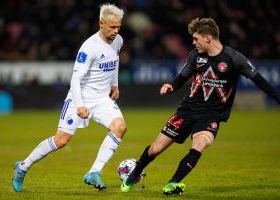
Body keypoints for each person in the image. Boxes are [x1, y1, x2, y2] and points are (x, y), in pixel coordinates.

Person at [120, 17, 280, 195]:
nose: (193, 42)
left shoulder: (235, 59)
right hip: (187, 110)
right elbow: (183, 76)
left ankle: (173, 183)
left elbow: (260, 81)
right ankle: (134, 174)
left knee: (200, 145)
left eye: (196, 38)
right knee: (156, 149)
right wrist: (171, 85)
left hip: (211, 116)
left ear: (208, 38)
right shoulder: (195, 56)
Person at [12, 3, 126, 192]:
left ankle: (94, 171)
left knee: (120, 127)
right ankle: (22, 167)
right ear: (101, 24)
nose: (116, 31)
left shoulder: (118, 40)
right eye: (112, 27)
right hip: (79, 97)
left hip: (101, 99)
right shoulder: (89, 47)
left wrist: (114, 84)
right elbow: (75, 79)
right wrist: (80, 105)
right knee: (61, 140)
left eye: (118, 27)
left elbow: (114, 61)